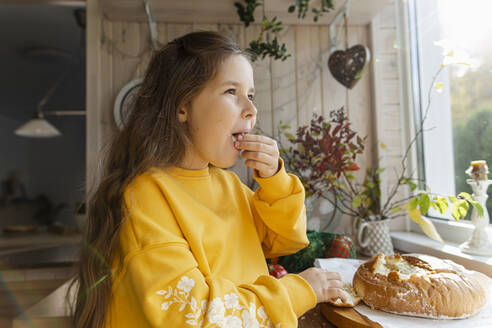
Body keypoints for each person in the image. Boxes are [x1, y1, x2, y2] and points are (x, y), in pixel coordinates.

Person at [70, 31, 348, 328]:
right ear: (182, 107)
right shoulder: (145, 197)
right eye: (232, 92)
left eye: (251, 95)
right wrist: (299, 291)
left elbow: (286, 240)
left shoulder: (228, 185)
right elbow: (194, 316)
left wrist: (275, 182)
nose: (252, 110)